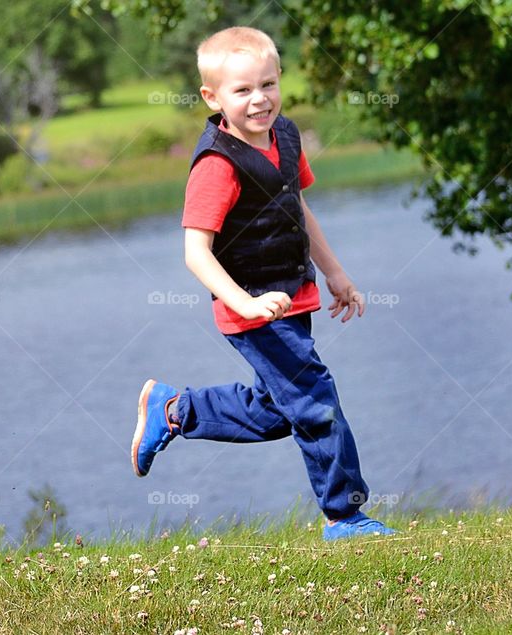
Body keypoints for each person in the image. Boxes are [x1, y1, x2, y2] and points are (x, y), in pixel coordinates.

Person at [130, 26, 395, 540]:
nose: (260, 99)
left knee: (279, 408)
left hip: (294, 297)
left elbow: (297, 207)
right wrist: (245, 305)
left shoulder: (287, 138)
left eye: (268, 85)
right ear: (212, 97)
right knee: (316, 402)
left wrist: (336, 273)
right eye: (243, 90)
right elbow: (195, 253)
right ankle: (345, 515)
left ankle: (174, 409)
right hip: (252, 309)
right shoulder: (217, 164)